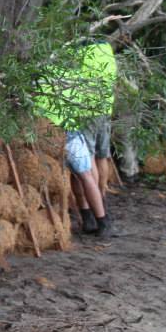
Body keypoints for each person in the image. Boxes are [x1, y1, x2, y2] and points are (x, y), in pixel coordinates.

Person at [36, 50, 116, 237]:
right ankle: (101, 221)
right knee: (85, 175)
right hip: (69, 133)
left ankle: (89, 218)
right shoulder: (71, 76)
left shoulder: (37, 79)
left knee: (78, 176)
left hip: (48, 135)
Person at [78, 40, 118, 198]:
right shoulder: (107, 52)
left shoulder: (84, 53)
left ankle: (94, 198)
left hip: (88, 110)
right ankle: (102, 193)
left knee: (89, 155)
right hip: (105, 108)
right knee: (103, 155)